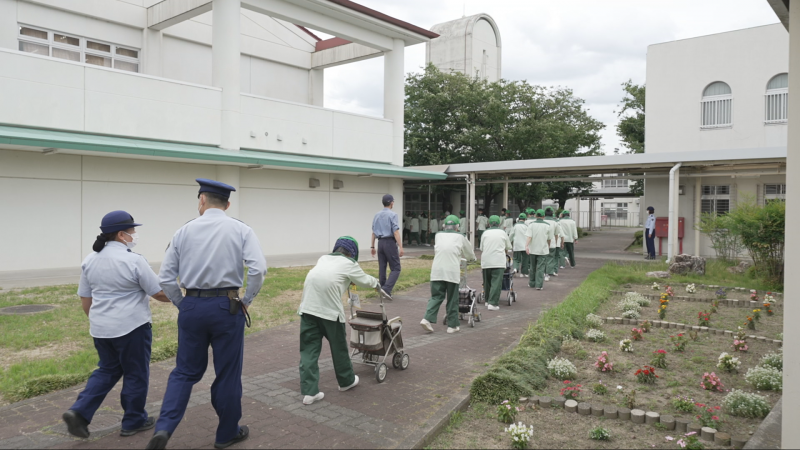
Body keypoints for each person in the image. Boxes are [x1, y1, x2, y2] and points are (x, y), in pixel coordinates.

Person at [147, 179, 267, 450]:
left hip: (192, 305)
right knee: (227, 373)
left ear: (201, 200)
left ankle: (164, 428)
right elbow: (258, 269)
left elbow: (165, 278)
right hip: (227, 306)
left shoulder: (183, 232)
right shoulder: (241, 229)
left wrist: (182, 303)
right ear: (227, 204)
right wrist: (246, 300)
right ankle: (226, 434)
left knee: (184, 372)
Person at [62, 211, 170, 440]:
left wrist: (100, 320)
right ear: (122, 234)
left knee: (107, 369)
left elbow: (85, 299)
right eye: (132, 231)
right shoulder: (133, 260)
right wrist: (186, 295)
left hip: (101, 329)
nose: (134, 235)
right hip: (132, 327)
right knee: (136, 373)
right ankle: (133, 420)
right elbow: (160, 293)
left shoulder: (90, 260)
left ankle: (79, 412)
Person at [297, 237, 385, 405]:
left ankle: (310, 392)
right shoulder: (349, 264)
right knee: (339, 348)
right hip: (330, 313)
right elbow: (365, 280)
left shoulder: (323, 259)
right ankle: (346, 381)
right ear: (352, 253)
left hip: (308, 309)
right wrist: (377, 284)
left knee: (308, 351)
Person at [420, 215, 476, 334]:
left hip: (436, 271)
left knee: (436, 297)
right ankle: (452, 325)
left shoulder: (438, 235)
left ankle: (426, 319)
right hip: (451, 272)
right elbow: (469, 252)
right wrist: (472, 259)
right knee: (452, 299)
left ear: (444, 226)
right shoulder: (461, 237)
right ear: (457, 227)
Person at [370, 194, 404, 296]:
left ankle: (382, 290)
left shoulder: (377, 215)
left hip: (380, 242)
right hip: (389, 242)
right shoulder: (393, 215)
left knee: (382, 267)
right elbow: (396, 232)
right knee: (396, 268)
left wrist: (372, 246)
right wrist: (401, 247)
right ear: (391, 203)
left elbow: (373, 232)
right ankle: (386, 289)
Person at [480, 216, 512, 311]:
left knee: (487, 282)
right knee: (496, 283)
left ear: (489, 223)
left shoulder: (485, 233)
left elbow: (481, 248)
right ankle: (493, 303)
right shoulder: (503, 233)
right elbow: (508, 246)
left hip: (486, 261)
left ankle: (487, 300)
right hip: (498, 261)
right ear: (499, 223)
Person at [525, 210, 553, 290]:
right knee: (540, 268)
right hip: (543, 250)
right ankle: (539, 285)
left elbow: (529, 237)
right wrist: (548, 246)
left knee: (532, 267)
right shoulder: (548, 226)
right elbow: (549, 238)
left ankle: (531, 283)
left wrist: (526, 246)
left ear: (536, 216)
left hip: (533, 249)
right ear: (544, 216)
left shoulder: (531, 225)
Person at [542, 208, 563, 280]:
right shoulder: (555, 223)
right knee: (550, 259)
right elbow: (557, 234)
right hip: (552, 243)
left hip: (542, 243)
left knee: (542, 259)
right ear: (552, 215)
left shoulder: (542, 221)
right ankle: (547, 274)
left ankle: (542, 273)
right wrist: (556, 241)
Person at [509, 213, 529, 278]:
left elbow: (511, 235)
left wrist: (509, 243)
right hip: (525, 245)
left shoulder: (515, 226)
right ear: (525, 219)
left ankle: (515, 268)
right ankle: (524, 273)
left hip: (517, 245)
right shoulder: (527, 226)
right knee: (525, 259)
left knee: (516, 258)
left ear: (519, 218)